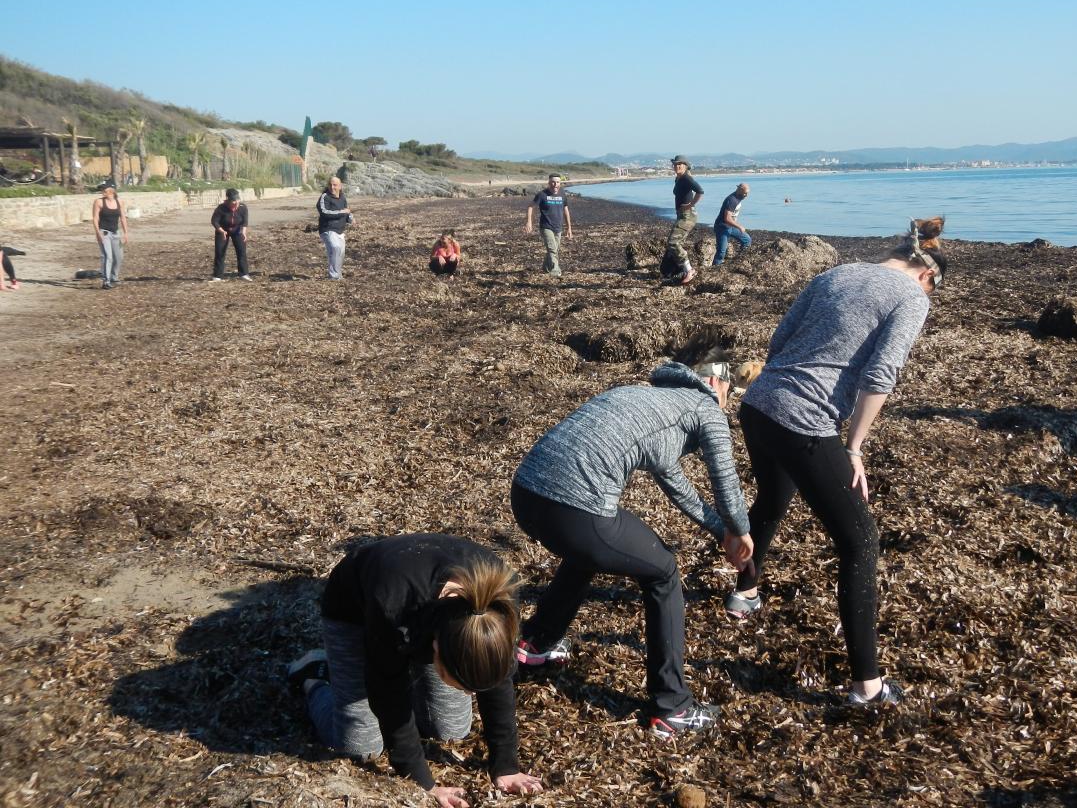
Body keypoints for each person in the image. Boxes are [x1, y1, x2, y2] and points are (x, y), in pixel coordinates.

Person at [724, 217, 947, 708]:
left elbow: (780, 341)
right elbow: (881, 374)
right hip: (804, 420)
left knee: (774, 498)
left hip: (759, 404)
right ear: (927, 277)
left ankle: (744, 592)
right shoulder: (910, 298)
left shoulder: (836, 273)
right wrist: (853, 447)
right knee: (860, 542)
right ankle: (867, 685)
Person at [509, 346, 754, 738]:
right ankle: (672, 706)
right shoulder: (704, 407)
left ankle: (538, 642)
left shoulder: (652, 398)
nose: (726, 403)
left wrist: (720, 531)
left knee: (592, 550)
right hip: (574, 505)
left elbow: (677, 487)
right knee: (664, 573)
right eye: (728, 392)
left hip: (526, 494)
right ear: (713, 382)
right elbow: (725, 480)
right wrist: (742, 531)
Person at [288, 534, 544, 808]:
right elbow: (389, 693)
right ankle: (313, 676)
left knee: (451, 728)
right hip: (356, 613)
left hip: (431, 621)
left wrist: (505, 765)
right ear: (436, 649)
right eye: (461, 684)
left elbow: (499, 681)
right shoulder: (392, 602)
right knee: (360, 745)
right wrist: (422, 783)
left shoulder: (498, 606)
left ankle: (410, 670)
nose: (470, 694)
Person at [524, 174, 572, 277]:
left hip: (558, 227)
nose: (555, 185)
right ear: (549, 183)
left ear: (560, 183)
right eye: (553, 182)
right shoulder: (542, 194)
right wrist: (529, 222)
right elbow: (530, 207)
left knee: (555, 249)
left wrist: (569, 228)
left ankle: (545, 267)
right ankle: (555, 270)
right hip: (546, 227)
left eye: (558, 182)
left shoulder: (562, 194)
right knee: (552, 249)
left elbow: (566, 210)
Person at [665, 156, 703, 285]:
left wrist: (690, 205)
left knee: (673, 243)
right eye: (675, 164)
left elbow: (700, 191)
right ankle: (677, 270)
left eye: (680, 164)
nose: (677, 166)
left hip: (688, 215)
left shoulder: (687, 178)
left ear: (686, 166)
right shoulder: (679, 178)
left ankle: (689, 270)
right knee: (673, 244)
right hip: (681, 215)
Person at [91, 181, 129, 289]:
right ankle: (106, 281)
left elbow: (122, 218)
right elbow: (95, 218)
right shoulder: (98, 202)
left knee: (119, 257)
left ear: (111, 190)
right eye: (102, 190)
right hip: (104, 233)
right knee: (108, 256)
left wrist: (126, 233)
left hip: (116, 233)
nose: (102, 191)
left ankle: (113, 277)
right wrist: (97, 232)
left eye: (104, 189)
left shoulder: (119, 201)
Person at [317, 176, 354, 279]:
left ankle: (338, 275)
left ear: (340, 186)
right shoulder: (325, 197)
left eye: (335, 185)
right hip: (327, 229)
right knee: (335, 248)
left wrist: (350, 218)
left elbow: (346, 211)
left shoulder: (342, 197)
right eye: (330, 185)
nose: (332, 187)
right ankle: (334, 276)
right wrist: (341, 212)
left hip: (340, 230)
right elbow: (324, 212)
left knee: (340, 253)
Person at [210, 188, 250, 282]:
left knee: (241, 251)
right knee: (220, 252)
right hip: (223, 230)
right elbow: (214, 221)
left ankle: (243, 274)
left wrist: (243, 232)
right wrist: (221, 231)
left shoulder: (243, 207)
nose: (236, 202)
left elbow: (245, 221)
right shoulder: (221, 208)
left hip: (237, 230)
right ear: (228, 200)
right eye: (233, 201)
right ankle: (217, 276)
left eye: (237, 200)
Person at [712, 183, 751, 266]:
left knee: (747, 240)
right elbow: (727, 218)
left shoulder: (739, 197)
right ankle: (715, 268)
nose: (746, 195)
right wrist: (739, 226)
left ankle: (739, 261)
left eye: (747, 193)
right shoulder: (732, 200)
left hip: (731, 227)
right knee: (721, 252)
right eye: (745, 193)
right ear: (739, 190)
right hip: (722, 227)